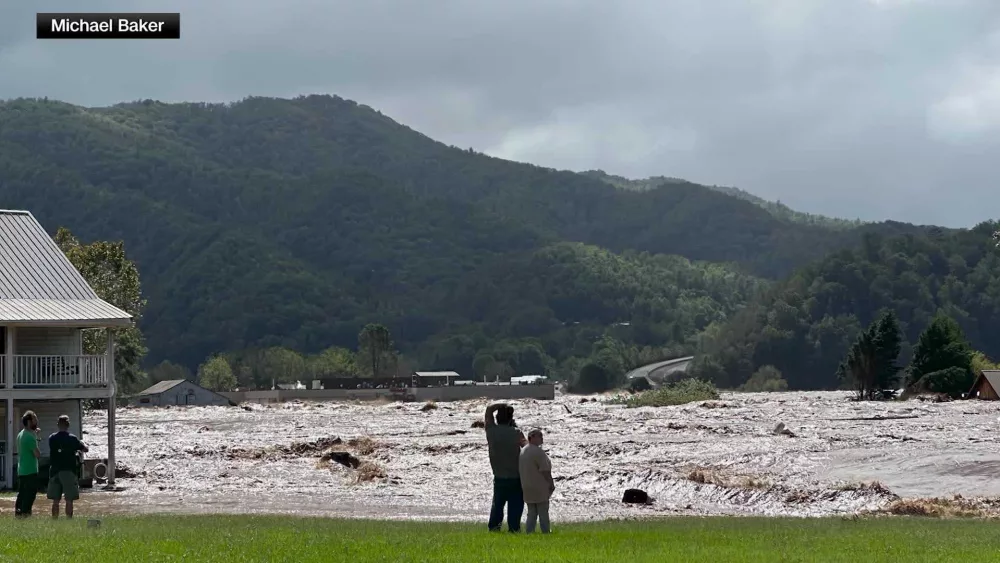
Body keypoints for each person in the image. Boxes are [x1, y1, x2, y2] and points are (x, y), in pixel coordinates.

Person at [484, 402, 525, 532]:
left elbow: (489, 409)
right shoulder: (517, 432)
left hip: (499, 475)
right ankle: (514, 529)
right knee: (515, 506)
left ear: (497, 419)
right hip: (515, 476)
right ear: (510, 419)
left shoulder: (491, 431)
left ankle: (494, 528)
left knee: (497, 506)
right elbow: (528, 447)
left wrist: (502, 404)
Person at [48, 415, 88, 519]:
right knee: (69, 500)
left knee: (55, 501)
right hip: (69, 472)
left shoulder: (51, 438)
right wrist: (82, 442)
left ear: (57, 425)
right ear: (68, 425)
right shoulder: (72, 438)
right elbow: (85, 449)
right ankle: (69, 520)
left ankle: (54, 521)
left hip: (55, 471)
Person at [519, 428, 555, 534]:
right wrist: (551, 483)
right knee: (543, 511)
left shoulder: (523, 451)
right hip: (539, 486)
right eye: (539, 436)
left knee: (531, 513)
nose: (542, 438)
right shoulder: (538, 452)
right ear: (532, 437)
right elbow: (545, 471)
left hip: (527, 486)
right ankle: (546, 532)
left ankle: (529, 531)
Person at [14, 410, 41, 518]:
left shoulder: (21, 434)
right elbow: (37, 454)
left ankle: (18, 514)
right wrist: (37, 437)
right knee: (29, 495)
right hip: (30, 470)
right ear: (29, 421)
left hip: (22, 470)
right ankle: (26, 515)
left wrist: (35, 435)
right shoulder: (30, 437)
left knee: (22, 495)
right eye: (35, 419)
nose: (37, 422)